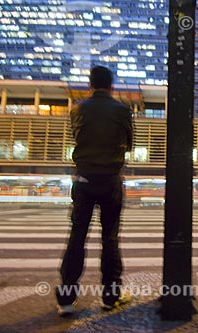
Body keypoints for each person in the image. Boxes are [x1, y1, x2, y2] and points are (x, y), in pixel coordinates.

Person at [56, 66, 133, 316]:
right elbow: (129, 144)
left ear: (90, 84)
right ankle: (111, 296)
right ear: (112, 86)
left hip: (84, 180)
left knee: (77, 236)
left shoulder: (77, 109)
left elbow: (77, 136)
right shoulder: (122, 110)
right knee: (109, 239)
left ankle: (66, 299)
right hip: (110, 181)